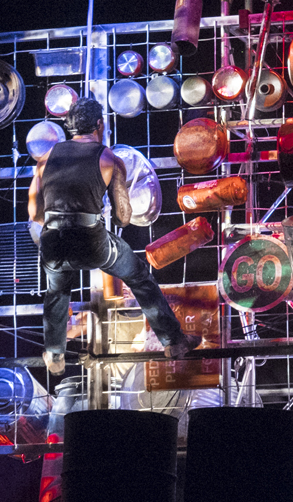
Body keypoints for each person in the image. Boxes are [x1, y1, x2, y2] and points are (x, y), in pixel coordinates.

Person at [27, 96, 198, 376]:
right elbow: (124, 216)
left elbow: (35, 213)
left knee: (57, 291)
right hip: (92, 242)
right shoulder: (108, 159)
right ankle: (174, 342)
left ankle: (55, 354)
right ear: (99, 124)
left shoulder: (44, 160)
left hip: (54, 241)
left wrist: (61, 222)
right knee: (139, 277)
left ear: (70, 126)